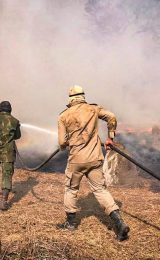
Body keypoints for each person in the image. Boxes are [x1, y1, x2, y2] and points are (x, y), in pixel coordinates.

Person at [57, 85, 130, 241]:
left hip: (76, 160)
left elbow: (62, 142)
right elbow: (111, 117)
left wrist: (66, 143)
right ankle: (119, 222)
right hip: (95, 158)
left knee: (71, 189)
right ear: (83, 96)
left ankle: (70, 224)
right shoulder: (93, 109)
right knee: (100, 190)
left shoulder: (63, 116)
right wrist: (110, 137)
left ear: (70, 98)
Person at [0, 101, 21, 211]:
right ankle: (4, 200)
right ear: (10, 109)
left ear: (0, 109)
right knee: (7, 173)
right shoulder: (14, 121)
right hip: (8, 152)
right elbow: (17, 136)